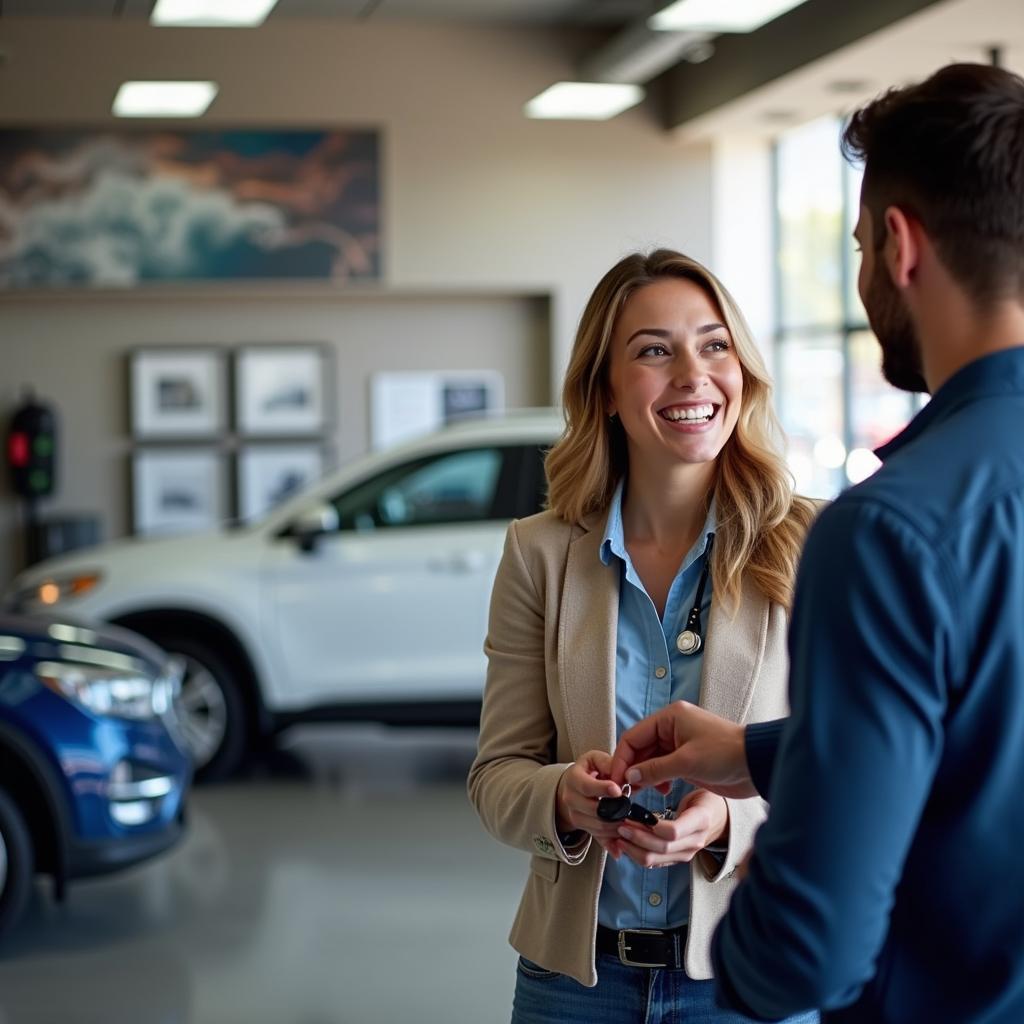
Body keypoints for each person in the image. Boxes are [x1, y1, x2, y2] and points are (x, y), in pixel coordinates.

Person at [609, 63, 1024, 1024]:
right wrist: (762, 755)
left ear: (899, 243)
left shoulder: (890, 530)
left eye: (856, 245)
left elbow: (804, 956)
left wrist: (759, 896)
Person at [467, 248, 819, 1023]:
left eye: (714, 343)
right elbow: (496, 778)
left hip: (749, 975)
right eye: (655, 351)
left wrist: (730, 817)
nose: (693, 374)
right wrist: (562, 797)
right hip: (573, 985)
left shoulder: (815, 543)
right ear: (607, 389)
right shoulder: (540, 553)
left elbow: (853, 768)